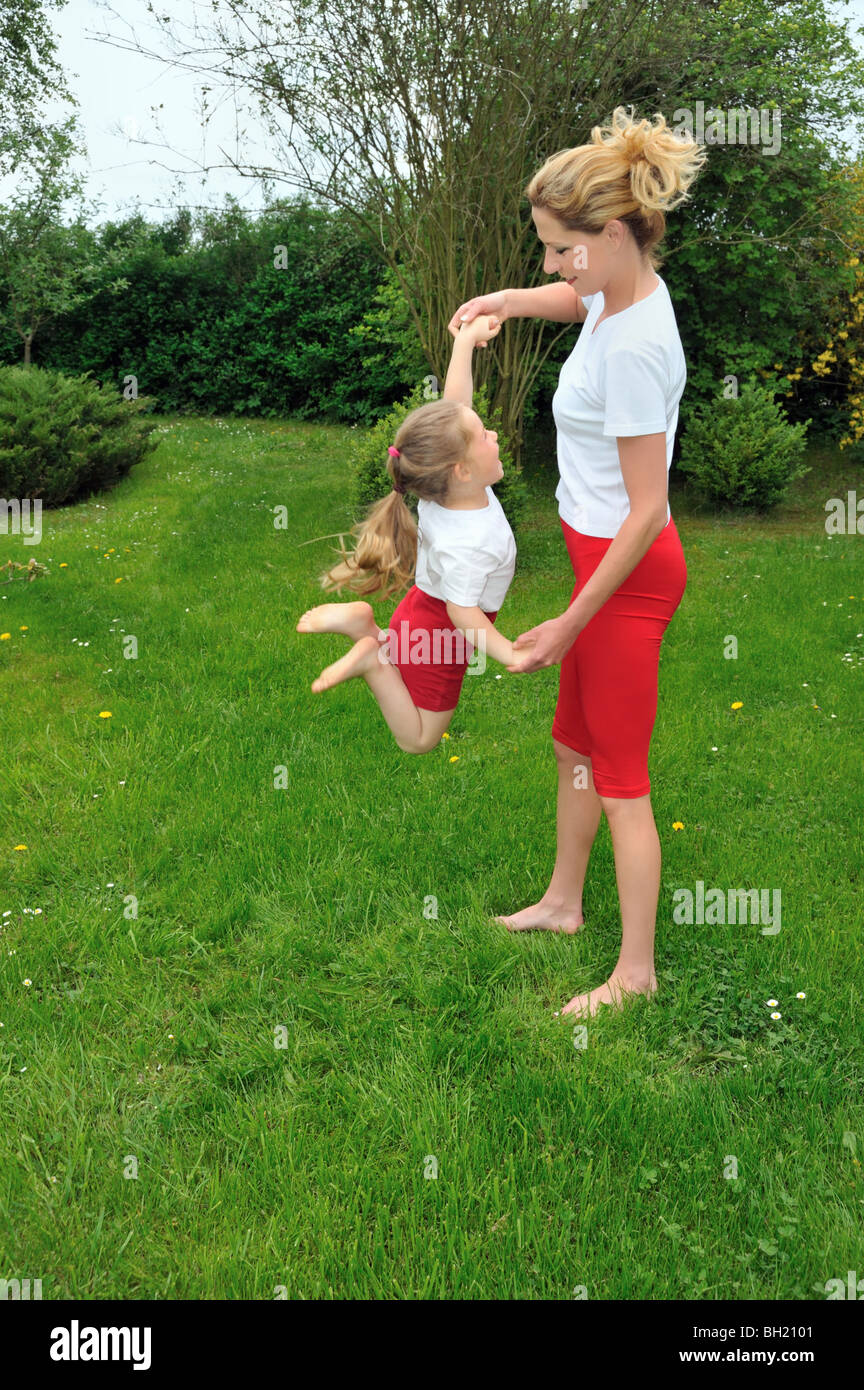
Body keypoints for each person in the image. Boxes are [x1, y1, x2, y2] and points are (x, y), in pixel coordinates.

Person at [449, 105, 707, 1020]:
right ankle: (563, 904)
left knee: (624, 779)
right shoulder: (623, 287)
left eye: (561, 250)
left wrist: (571, 616)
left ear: (607, 233)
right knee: (574, 746)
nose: (554, 268)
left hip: (625, 578)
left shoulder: (637, 348)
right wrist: (506, 303)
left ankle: (634, 974)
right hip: (600, 561)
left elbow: (647, 513)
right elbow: (576, 299)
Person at [296, 312, 523, 754]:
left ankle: (365, 628)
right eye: (485, 436)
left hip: (418, 611)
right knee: (419, 739)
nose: (492, 433)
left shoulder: (441, 491)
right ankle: (372, 660)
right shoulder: (468, 542)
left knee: (417, 714)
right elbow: (463, 615)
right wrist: (511, 654)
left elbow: (455, 408)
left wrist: (465, 344)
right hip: (439, 637)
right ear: (461, 469)